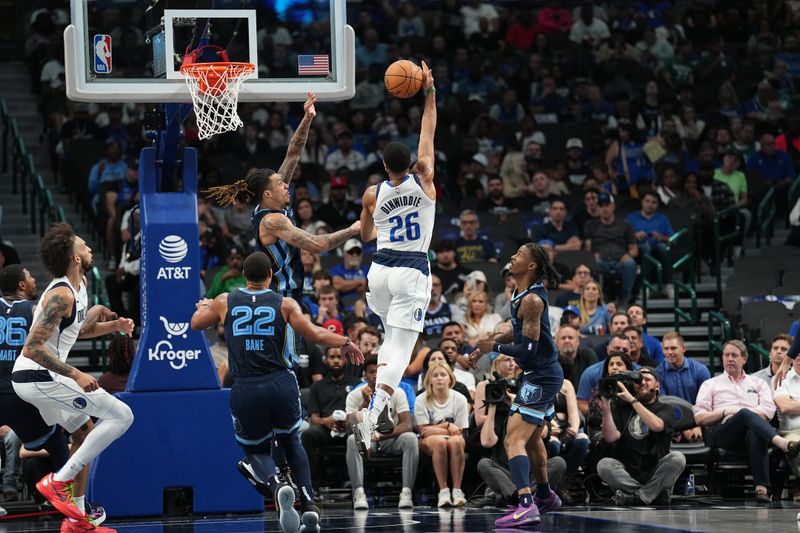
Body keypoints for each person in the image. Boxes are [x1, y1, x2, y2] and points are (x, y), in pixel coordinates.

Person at [190, 251, 363, 533]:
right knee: (291, 442)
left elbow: (196, 323)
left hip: (246, 385)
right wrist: (345, 340)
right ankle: (309, 504)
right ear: (271, 276)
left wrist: (204, 305)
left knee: (254, 450)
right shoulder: (285, 303)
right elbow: (316, 335)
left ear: (244, 276)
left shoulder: (225, 301)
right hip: (280, 382)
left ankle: (277, 485)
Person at [12, 224, 135, 533]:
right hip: (36, 375)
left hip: (46, 375)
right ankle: (59, 481)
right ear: (75, 257)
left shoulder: (78, 288)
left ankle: (77, 521)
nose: (89, 247)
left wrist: (114, 326)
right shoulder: (60, 293)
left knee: (84, 435)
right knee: (122, 415)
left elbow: (74, 333)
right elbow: (32, 346)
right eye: (84, 244)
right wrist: (77, 373)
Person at [349, 61, 438, 456]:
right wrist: (429, 92)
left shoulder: (372, 193)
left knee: (389, 343)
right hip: (410, 270)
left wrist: (369, 222)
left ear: (385, 167)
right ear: (412, 166)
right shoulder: (425, 181)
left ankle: (375, 406)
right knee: (401, 350)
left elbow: (366, 235)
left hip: (379, 272)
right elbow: (427, 133)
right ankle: (372, 415)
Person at [470, 243, 564, 528]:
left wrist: (495, 346)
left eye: (520, 255)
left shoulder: (533, 300)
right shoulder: (518, 294)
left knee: (513, 438)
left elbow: (530, 351)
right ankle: (545, 496)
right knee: (533, 439)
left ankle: (526, 505)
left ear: (532, 265)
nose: (513, 256)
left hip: (541, 375)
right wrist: (485, 347)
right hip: (542, 374)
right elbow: (519, 328)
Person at [694, 340, 800, 502]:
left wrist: (741, 414)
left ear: (744, 359)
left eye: (734, 355)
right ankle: (783, 444)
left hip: (750, 434)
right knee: (743, 413)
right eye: (726, 355)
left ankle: (762, 489)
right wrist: (725, 411)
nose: (730, 359)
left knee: (752, 430)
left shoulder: (758, 383)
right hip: (723, 434)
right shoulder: (710, 384)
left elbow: (768, 412)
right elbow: (699, 417)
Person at [597, 367, 686, 505]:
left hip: (655, 470)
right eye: (638, 380)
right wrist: (607, 407)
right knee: (604, 465)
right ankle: (652, 495)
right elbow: (611, 437)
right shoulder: (622, 408)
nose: (642, 382)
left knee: (678, 458)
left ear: (657, 385)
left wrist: (632, 400)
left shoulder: (665, 409)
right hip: (627, 471)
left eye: (647, 379)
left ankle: (636, 497)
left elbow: (657, 425)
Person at [346, 355, 417, 510]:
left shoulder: (397, 392)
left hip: (389, 439)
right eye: (371, 372)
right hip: (366, 440)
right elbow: (347, 428)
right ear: (365, 375)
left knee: (411, 438)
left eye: (380, 372)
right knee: (352, 440)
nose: (376, 375)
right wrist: (364, 403)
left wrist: (378, 436)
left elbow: (407, 425)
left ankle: (406, 492)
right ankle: (359, 493)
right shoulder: (354, 394)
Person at [414, 361, 469, 507]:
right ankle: (443, 491)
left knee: (455, 441)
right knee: (439, 441)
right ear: (429, 380)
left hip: (454, 438)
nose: (439, 378)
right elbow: (423, 431)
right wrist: (447, 425)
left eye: (443, 375)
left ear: (450, 379)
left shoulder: (460, 399)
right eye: (435, 375)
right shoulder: (421, 399)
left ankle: (457, 491)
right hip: (428, 441)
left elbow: (459, 430)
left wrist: (436, 428)